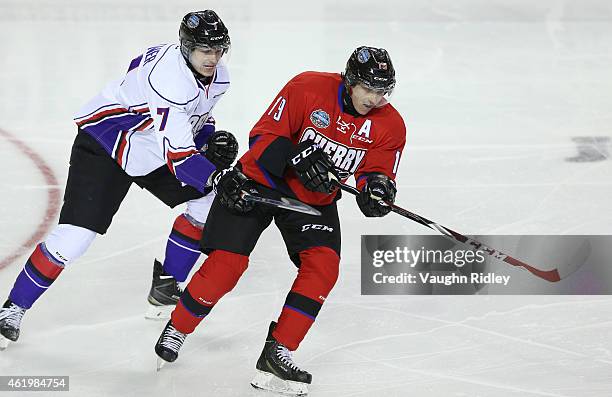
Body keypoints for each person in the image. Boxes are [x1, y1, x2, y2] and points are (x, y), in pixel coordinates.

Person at [154, 46, 406, 395]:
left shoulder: (390, 125)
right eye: (368, 88)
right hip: (258, 184)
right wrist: (296, 157)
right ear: (350, 81)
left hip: (311, 202)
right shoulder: (307, 88)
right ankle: (178, 326)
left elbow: (376, 172)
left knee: (323, 268)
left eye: (382, 91)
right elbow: (262, 136)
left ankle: (277, 353)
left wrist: (376, 190)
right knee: (226, 266)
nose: (374, 98)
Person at [0, 10, 237, 348]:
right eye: (205, 51)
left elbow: (196, 116)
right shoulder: (169, 80)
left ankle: (166, 285)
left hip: (149, 143)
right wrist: (214, 171)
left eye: (218, 50)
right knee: (75, 237)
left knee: (206, 200)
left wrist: (209, 143)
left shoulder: (218, 75)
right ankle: (13, 308)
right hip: (107, 140)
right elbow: (181, 156)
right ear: (186, 48)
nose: (213, 58)